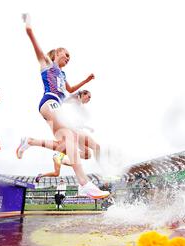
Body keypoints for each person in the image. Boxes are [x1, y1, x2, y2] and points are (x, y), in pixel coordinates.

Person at [16, 13, 109, 199]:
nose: (68, 59)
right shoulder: (46, 64)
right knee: (69, 138)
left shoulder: (63, 75)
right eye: (66, 55)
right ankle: (84, 183)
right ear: (57, 53)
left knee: (90, 143)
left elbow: (70, 89)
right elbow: (30, 33)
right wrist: (28, 22)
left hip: (56, 104)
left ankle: (31, 141)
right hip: (48, 102)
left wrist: (86, 80)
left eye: (69, 58)